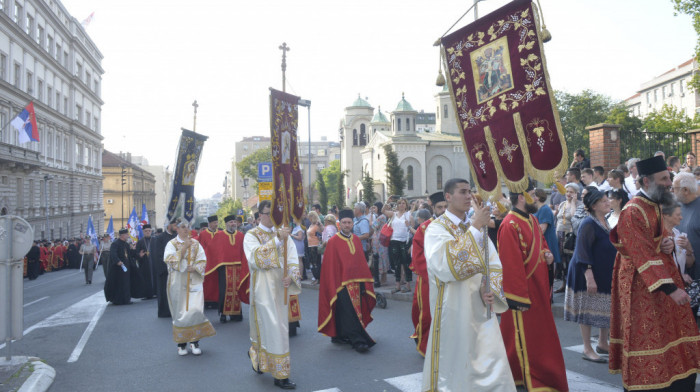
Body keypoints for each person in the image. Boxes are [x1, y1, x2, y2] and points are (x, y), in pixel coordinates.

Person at [609, 156, 700, 390]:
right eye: (664, 179)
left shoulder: (656, 203)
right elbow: (641, 253)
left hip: (663, 277)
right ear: (647, 181)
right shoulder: (632, 211)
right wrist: (671, 289)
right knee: (647, 334)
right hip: (641, 284)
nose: (669, 183)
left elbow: (661, 236)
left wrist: (668, 242)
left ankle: (675, 377)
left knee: (672, 331)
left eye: (669, 177)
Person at [422, 178, 515, 392]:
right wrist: (476, 226)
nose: (468, 196)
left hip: (480, 305)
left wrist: (489, 286)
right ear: (448, 197)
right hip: (453, 307)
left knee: (488, 358)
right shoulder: (436, 229)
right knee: (458, 359)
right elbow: (447, 265)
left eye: (469, 191)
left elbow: (492, 261)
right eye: (462, 192)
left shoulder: (475, 227)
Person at [498, 180, 568, 391]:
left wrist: (546, 254)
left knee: (539, 338)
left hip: (537, 289)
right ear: (522, 197)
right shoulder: (509, 224)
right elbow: (510, 264)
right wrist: (518, 298)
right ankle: (524, 377)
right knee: (523, 338)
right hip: (523, 296)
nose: (536, 197)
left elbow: (542, 245)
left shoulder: (531, 219)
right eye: (532, 194)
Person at [243, 200, 301, 390]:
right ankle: (280, 374)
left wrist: (291, 277)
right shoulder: (251, 235)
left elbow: (292, 258)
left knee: (279, 328)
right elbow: (256, 259)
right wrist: (277, 240)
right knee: (271, 327)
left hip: (280, 287)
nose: (274, 217)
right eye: (269, 213)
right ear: (260, 215)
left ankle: (263, 362)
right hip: (262, 289)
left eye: (276, 213)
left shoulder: (284, 235)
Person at [564, 189, 616, 364]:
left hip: (602, 273)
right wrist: (589, 276)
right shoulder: (588, 223)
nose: (608, 202)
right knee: (586, 309)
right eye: (603, 201)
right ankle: (587, 348)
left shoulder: (605, 221)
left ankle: (603, 343)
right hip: (585, 273)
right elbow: (582, 251)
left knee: (603, 307)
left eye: (607, 200)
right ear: (594, 206)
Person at [318, 208, 376, 353]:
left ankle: (339, 335)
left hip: (357, 282)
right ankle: (358, 341)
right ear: (340, 224)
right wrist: (335, 284)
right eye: (344, 222)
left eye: (349, 222)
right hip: (341, 284)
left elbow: (360, 262)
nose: (346, 225)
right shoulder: (333, 242)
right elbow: (330, 267)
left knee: (352, 311)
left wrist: (364, 280)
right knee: (348, 312)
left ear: (352, 223)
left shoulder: (356, 239)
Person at [164, 220, 216, 356]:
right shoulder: (171, 244)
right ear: (177, 229)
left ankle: (195, 342)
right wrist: (183, 248)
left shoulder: (196, 244)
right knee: (181, 312)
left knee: (195, 310)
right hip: (178, 282)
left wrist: (196, 267)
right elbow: (169, 260)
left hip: (194, 280)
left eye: (187, 227)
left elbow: (202, 259)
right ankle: (181, 344)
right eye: (182, 227)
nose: (186, 230)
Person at [409, 191, 446, 357]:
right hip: (429, 280)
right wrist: (438, 274)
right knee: (427, 314)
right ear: (433, 208)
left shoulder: (456, 226)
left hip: (451, 280)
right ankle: (427, 345)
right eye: (440, 207)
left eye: (446, 206)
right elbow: (418, 257)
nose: (444, 210)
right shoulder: (424, 229)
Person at [206, 215, 249, 323]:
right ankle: (223, 314)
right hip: (224, 268)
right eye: (230, 222)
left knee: (236, 290)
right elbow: (211, 250)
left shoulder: (240, 235)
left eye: (234, 222)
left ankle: (236, 314)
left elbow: (245, 251)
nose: (233, 224)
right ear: (226, 224)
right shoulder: (219, 235)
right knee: (224, 291)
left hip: (238, 267)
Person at [382, 197, 413, 293]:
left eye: (403, 203)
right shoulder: (394, 214)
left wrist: (409, 227)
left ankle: (408, 285)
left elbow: (412, 230)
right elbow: (383, 211)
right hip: (394, 240)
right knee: (396, 263)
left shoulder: (409, 215)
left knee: (406, 263)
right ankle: (397, 285)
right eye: (399, 203)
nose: (401, 205)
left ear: (406, 205)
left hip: (405, 241)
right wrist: (386, 202)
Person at [674, 172, 700, 281]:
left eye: (674, 188)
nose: (672, 191)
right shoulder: (674, 207)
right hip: (680, 274)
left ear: (685, 190)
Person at [534, 188, 561, 291]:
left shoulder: (544, 209)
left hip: (547, 241)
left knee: (547, 269)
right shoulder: (537, 209)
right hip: (541, 242)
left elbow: (542, 228)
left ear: (537, 197)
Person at [663, 201, 694, 285]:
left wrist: (688, 249)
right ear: (666, 215)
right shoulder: (658, 237)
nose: (681, 217)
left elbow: (689, 264)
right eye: (678, 215)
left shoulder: (677, 233)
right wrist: (679, 276)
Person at [555, 183, 579, 293]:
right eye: (567, 191)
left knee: (569, 260)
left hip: (569, 236)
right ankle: (563, 284)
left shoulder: (579, 204)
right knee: (561, 261)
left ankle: (571, 284)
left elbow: (574, 217)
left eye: (571, 192)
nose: (568, 194)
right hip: (559, 235)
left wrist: (573, 203)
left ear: (576, 194)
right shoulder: (562, 204)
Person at [153, 219, 179, 318]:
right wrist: (165, 269)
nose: (176, 227)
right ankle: (165, 312)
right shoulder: (160, 238)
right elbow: (158, 255)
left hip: (176, 270)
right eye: (175, 225)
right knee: (164, 292)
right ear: (169, 225)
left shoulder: (177, 237)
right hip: (164, 271)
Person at [104, 229, 132, 305]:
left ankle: (126, 299)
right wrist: (117, 261)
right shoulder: (115, 244)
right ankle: (118, 300)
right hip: (118, 268)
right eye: (126, 234)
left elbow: (129, 254)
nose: (127, 236)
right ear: (122, 235)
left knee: (126, 283)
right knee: (119, 284)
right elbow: (113, 254)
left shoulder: (126, 244)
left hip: (126, 266)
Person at [200, 215, 220, 309]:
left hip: (218, 261)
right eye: (214, 223)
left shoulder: (220, 233)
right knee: (207, 282)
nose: (216, 224)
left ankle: (216, 300)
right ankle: (207, 301)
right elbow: (201, 248)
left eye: (217, 222)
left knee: (217, 282)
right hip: (207, 261)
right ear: (210, 223)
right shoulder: (203, 234)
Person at [370, 202, 389, 287]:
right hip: (381, 239)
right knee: (383, 257)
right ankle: (383, 278)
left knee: (379, 258)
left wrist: (370, 215)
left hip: (378, 239)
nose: (374, 209)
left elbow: (373, 226)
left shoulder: (381, 217)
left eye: (375, 207)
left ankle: (382, 278)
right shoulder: (383, 216)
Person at [134, 224, 156, 299]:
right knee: (145, 279)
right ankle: (147, 294)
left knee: (155, 277)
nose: (147, 232)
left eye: (149, 231)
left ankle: (155, 292)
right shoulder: (140, 242)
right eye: (146, 231)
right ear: (143, 232)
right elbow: (136, 253)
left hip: (154, 263)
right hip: (144, 264)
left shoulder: (155, 240)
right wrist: (139, 255)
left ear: (151, 231)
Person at [306, 211, 322, 284]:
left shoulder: (317, 224)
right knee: (312, 263)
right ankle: (316, 277)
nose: (309, 219)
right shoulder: (311, 225)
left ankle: (318, 278)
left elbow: (320, 234)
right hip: (310, 245)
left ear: (312, 217)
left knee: (316, 263)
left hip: (315, 245)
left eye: (310, 217)